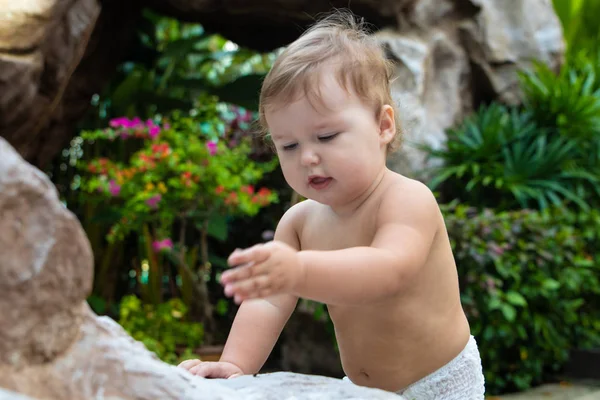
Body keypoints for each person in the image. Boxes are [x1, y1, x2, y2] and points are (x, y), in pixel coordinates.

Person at [178, 9, 485, 399]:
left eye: (326, 136)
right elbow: (268, 303)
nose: (307, 157)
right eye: (288, 145)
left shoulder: (406, 199)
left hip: (440, 384)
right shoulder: (299, 223)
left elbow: (386, 270)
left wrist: (298, 271)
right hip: (362, 390)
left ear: (382, 126)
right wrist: (236, 365)